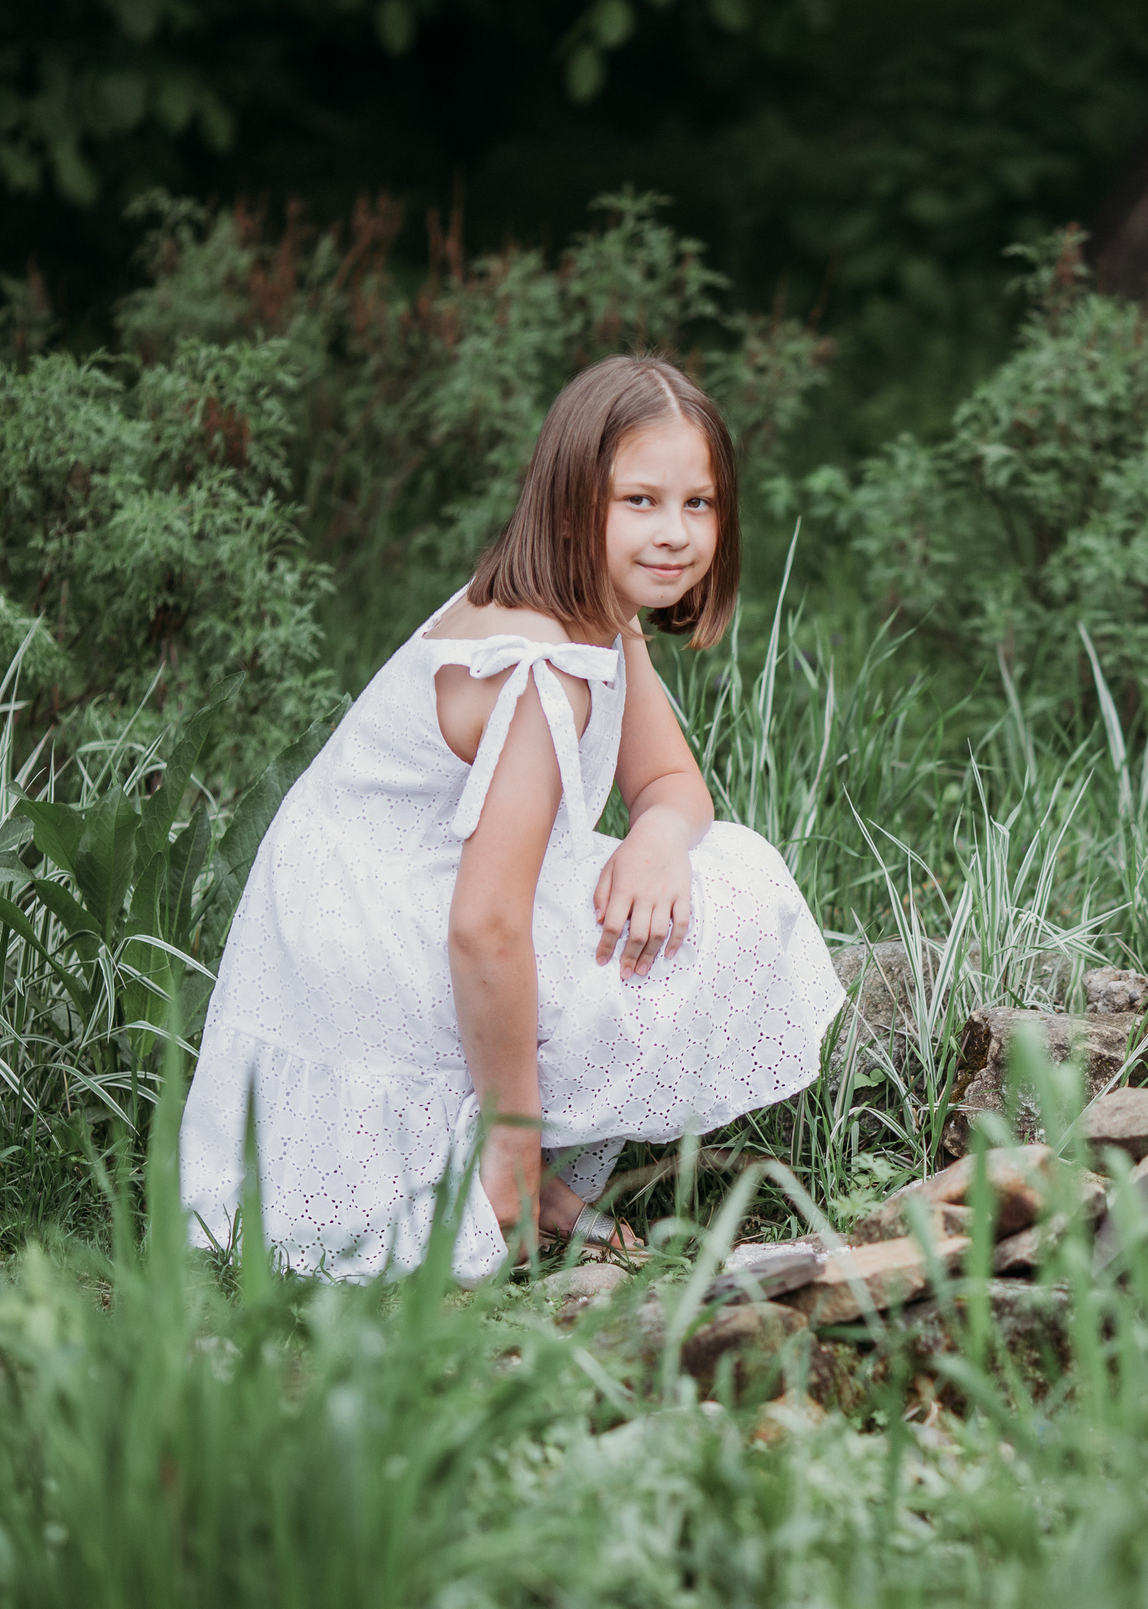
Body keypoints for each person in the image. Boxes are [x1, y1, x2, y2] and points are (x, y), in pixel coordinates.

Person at [181, 354, 843, 1281]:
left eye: (698, 504)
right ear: (573, 502)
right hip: (371, 940)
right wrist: (514, 1142)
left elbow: (673, 783)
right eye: (640, 501)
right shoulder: (539, 671)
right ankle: (506, 1171)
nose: (675, 533)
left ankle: (511, 1160)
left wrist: (656, 838)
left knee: (718, 868)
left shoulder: (597, 613)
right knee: (724, 905)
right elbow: (485, 924)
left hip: (401, 906)